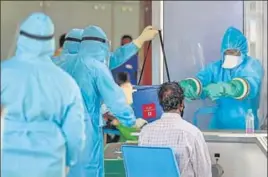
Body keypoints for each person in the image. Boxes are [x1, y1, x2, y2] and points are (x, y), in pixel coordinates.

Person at [62, 25, 157, 177]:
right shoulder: (95, 66)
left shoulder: (60, 64)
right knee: (88, 169)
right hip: (86, 129)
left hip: (60, 129)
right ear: (102, 45)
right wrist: (131, 121)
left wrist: (138, 42)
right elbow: (115, 99)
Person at [1, 12, 85, 177]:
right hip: (50, 166)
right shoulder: (66, 83)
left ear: (21, 37)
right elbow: (75, 135)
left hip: (6, 163)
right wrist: (68, 162)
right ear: (51, 41)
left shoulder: (3, 73)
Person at [180, 27, 264, 130]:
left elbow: (250, 86)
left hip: (245, 125)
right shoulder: (216, 68)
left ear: (242, 50)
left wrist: (224, 89)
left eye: (234, 52)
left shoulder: (251, 65)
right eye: (227, 52)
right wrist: (191, 86)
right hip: (219, 125)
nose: (230, 55)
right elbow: (201, 80)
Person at [139, 82, 212, 177]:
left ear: (161, 104)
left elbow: (142, 169)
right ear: (181, 104)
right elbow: (204, 173)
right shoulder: (192, 133)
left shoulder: (145, 132)